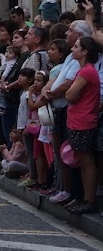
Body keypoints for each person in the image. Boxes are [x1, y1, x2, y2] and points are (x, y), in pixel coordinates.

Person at [63, 36, 101, 213]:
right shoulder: (84, 70)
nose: (72, 49)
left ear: (85, 51)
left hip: (83, 121)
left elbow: (70, 95)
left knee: (86, 161)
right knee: (80, 160)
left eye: (76, 47)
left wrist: (73, 94)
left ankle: (89, 199)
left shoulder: (86, 72)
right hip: (78, 120)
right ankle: (82, 197)